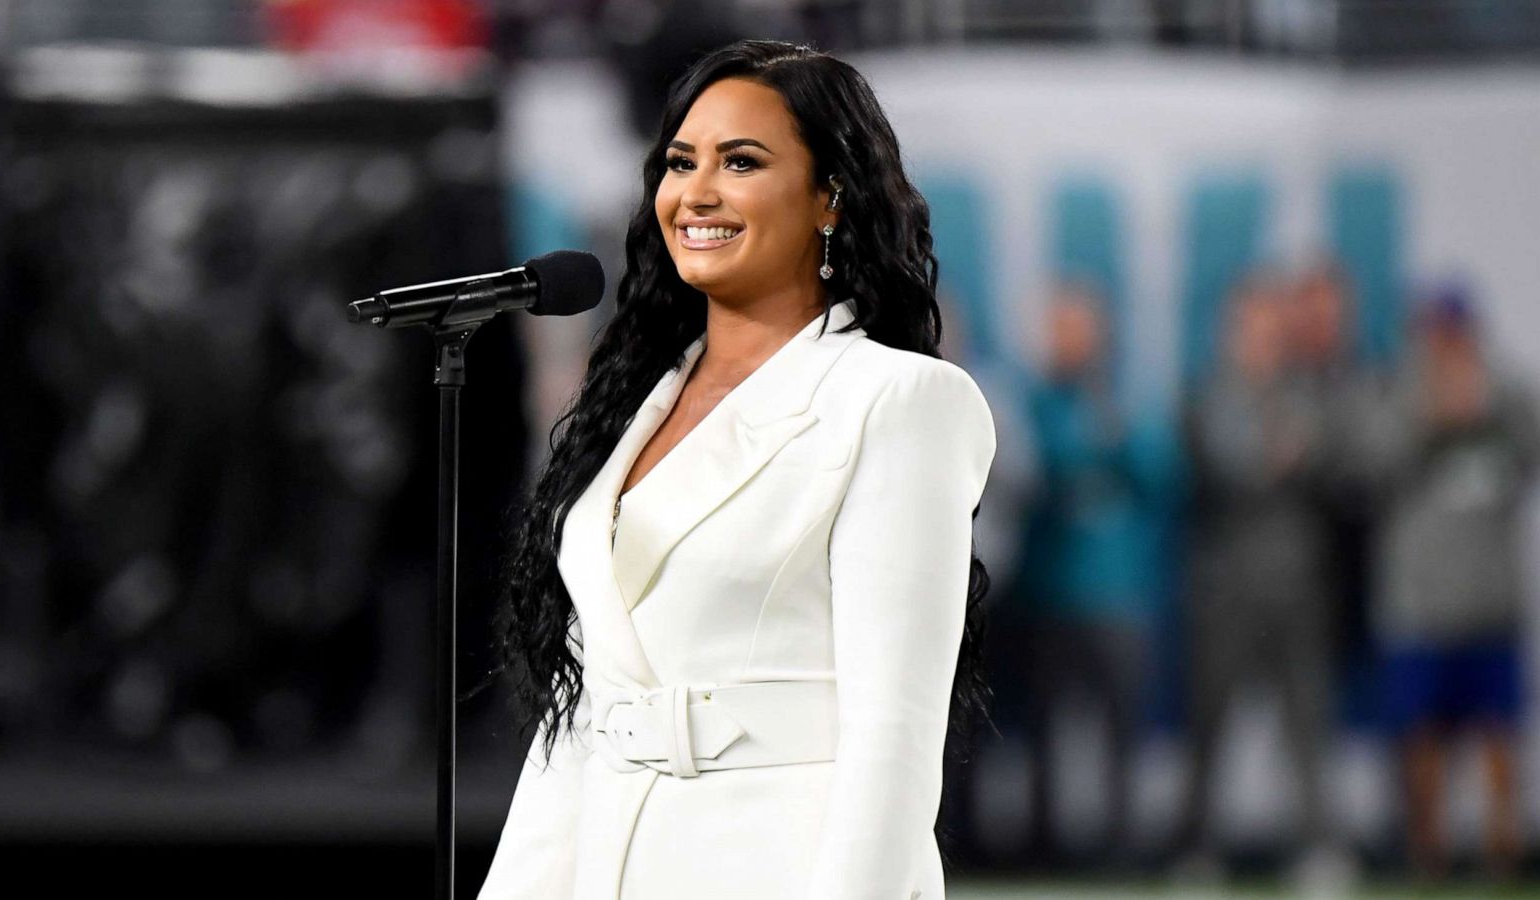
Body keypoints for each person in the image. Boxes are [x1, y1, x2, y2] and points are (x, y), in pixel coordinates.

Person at [477, 41, 997, 899]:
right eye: (681, 162)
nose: (697, 192)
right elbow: (582, 727)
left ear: (830, 198)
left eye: (741, 161)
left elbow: (893, 742)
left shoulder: (896, 401)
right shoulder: (627, 410)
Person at [1363, 287, 1536, 881]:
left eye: (1454, 333)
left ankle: (1503, 852)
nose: (1445, 347)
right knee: (1421, 736)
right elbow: (1369, 465)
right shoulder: (1395, 395)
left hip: (1491, 606)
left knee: (1500, 735)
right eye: (1434, 334)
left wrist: (1486, 402)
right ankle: (1427, 854)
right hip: (1420, 606)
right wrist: (1429, 414)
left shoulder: (1506, 396)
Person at [1176, 271, 1344, 880]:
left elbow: (1326, 453)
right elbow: (1233, 464)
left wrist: (1280, 452)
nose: (1262, 339)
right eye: (1251, 326)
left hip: (1297, 586)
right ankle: (1197, 848)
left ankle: (1318, 846)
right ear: (1232, 330)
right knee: (1211, 723)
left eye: (1271, 327)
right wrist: (1278, 453)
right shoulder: (1210, 392)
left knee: (1306, 722)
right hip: (1226, 589)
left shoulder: (1306, 389)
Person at [1015, 283, 1166, 867]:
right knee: (1045, 728)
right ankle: (1045, 842)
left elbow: (1159, 478)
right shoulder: (1036, 402)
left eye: (1078, 327)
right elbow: (1032, 477)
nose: (1068, 340)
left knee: (1121, 729)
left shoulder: (1127, 400)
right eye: (1059, 329)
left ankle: (1123, 844)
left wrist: (1117, 439)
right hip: (1053, 593)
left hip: (1118, 595)